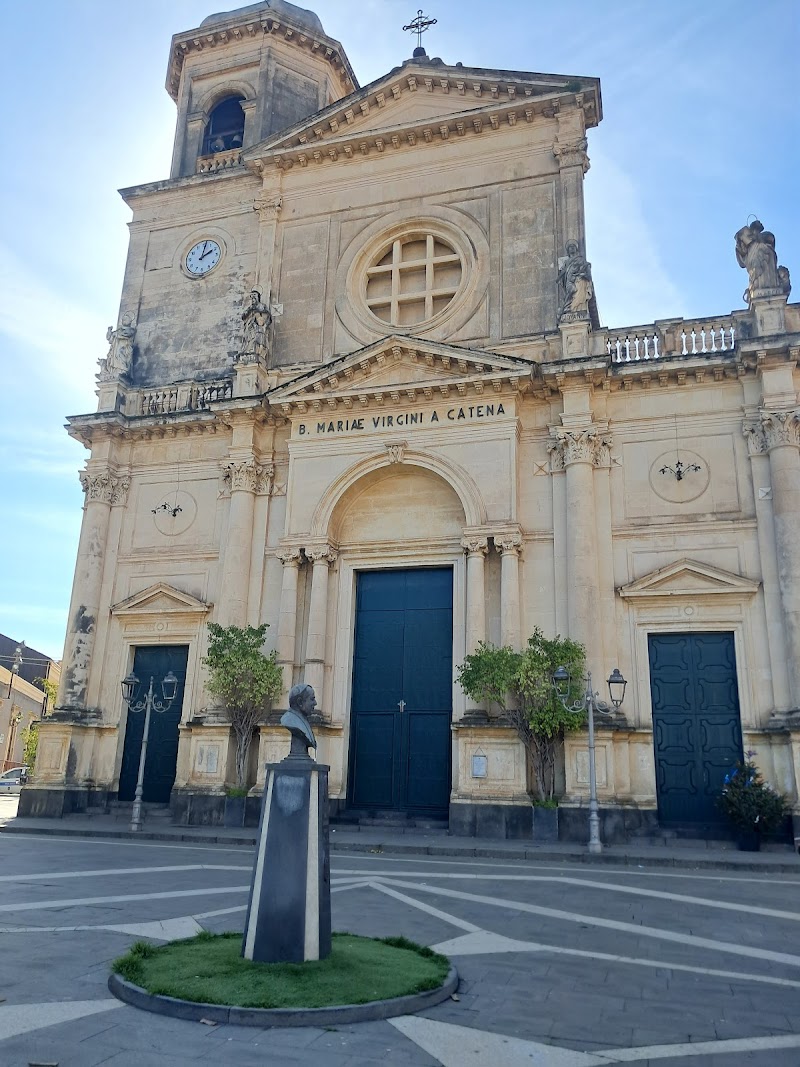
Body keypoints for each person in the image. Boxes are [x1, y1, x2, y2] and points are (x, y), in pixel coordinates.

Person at [558, 241, 593, 319]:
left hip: (577, 279)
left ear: (576, 249)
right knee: (571, 290)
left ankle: (568, 307)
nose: (572, 248)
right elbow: (564, 271)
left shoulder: (580, 259)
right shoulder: (566, 261)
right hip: (568, 280)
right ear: (568, 250)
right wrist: (559, 278)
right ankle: (567, 307)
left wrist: (584, 272)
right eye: (570, 247)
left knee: (574, 290)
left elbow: (586, 266)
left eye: (573, 247)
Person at [281, 683, 317, 758]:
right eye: (312, 699)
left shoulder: (304, 721)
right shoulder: (288, 720)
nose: (315, 703)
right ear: (300, 702)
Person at [239, 289, 272, 362]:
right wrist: (250, 312)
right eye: (252, 296)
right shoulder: (250, 308)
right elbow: (244, 316)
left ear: (258, 297)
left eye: (255, 296)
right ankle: (248, 350)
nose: (253, 298)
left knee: (257, 339)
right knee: (249, 339)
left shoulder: (262, 306)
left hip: (257, 327)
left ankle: (256, 351)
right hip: (249, 326)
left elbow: (266, 316)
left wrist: (259, 317)